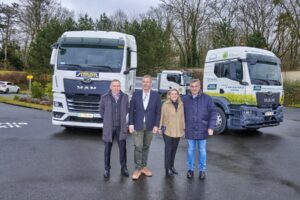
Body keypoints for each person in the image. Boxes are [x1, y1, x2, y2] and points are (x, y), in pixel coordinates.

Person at [182, 79, 217, 180]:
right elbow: (180, 114)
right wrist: (182, 126)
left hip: (203, 128)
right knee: (190, 151)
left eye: (196, 86)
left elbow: (213, 112)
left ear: (200, 87)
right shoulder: (185, 99)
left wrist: (211, 127)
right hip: (190, 129)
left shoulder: (207, 98)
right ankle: (190, 170)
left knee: (202, 151)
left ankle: (202, 171)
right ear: (189, 87)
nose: (194, 88)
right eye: (192, 86)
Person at [129, 75, 161, 180]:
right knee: (138, 146)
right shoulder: (136, 95)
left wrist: (156, 125)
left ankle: (144, 166)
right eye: (144, 82)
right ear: (141, 83)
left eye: (148, 82)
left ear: (151, 84)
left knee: (146, 146)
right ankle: (138, 169)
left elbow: (158, 112)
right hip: (137, 124)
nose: (146, 83)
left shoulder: (156, 96)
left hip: (150, 125)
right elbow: (131, 110)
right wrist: (131, 124)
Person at [100, 79, 129, 178]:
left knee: (123, 149)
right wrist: (107, 121)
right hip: (109, 127)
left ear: (120, 87)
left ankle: (124, 168)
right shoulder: (104, 97)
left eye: (118, 86)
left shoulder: (125, 97)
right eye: (114, 86)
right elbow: (102, 112)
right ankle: (107, 169)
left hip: (121, 127)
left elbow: (126, 110)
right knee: (107, 149)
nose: (116, 88)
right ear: (110, 87)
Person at [159, 89, 185, 176]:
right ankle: (167, 168)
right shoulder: (165, 105)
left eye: (175, 94)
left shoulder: (181, 105)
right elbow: (161, 116)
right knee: (168, 150)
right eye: (172, 94)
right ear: (169, 96)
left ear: (178, 95)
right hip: (168, 131)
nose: (174, 95)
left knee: (174, 149)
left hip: (178, 131)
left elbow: (183, 117)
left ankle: (172, 166)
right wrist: (160, 128)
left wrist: (184, 127)